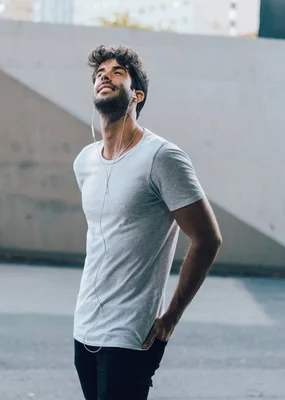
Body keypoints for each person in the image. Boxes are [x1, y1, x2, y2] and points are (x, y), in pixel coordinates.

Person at [72, 44, 223, 400]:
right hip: (84, 326)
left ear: (136, 95)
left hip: (132, 331)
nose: (105, 76)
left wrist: (171, 316)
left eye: (117, 72)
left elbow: (207, 239)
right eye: (99, 73)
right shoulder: (85, 161)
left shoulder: (162, 157)